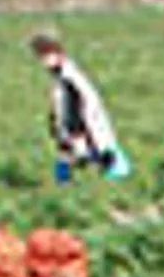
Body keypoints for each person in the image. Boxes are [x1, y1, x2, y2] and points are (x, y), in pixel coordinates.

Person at [31, 34, 132, 182]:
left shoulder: (69, 76)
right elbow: (61, 103)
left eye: (47, 57)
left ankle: (113, 181)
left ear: (59, 54)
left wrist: (74, 128)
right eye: (42, 58)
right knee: (71, 156)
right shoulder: (61, 76)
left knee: (95, 155)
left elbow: (80, 103)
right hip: (76, 126)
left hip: (82, 126)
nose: (44, 62)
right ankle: (67, 186)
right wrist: (54, 122)